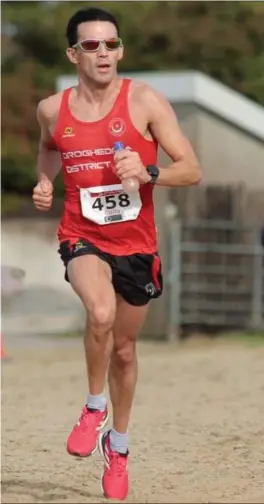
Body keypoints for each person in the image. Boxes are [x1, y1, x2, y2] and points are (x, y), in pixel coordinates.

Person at [32, 7, 201, 501]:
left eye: (110, 44)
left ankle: (119, 446)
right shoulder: (51, 108)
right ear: (73, 54)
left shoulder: (145, 101)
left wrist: (149, 173)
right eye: (91, 46)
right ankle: (91, 406)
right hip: (81, 235)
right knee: (99, 312)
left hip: (137, 244)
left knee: (124, 351)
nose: (102, 53)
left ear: (120, 50)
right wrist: (47, 180)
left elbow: (190, 168)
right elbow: (47, 147)